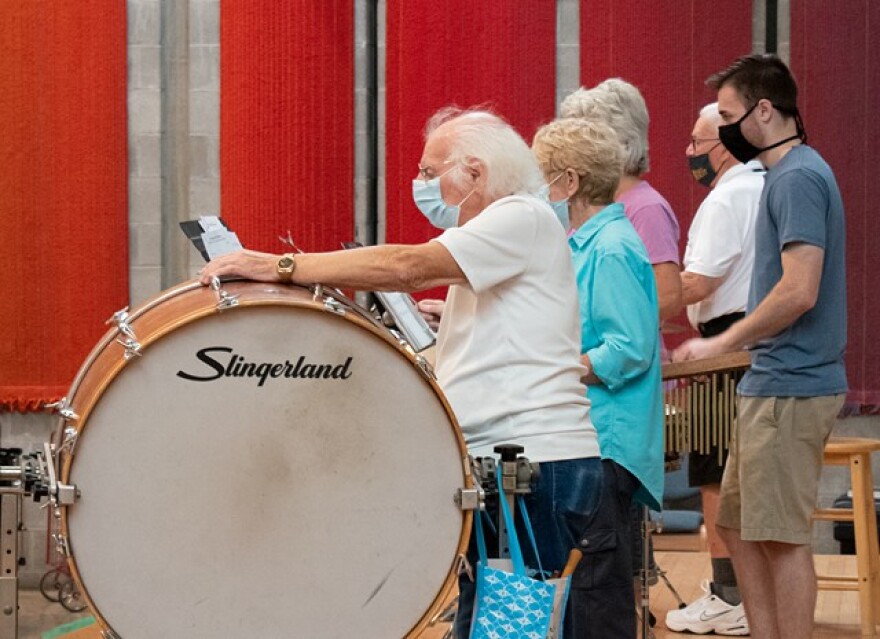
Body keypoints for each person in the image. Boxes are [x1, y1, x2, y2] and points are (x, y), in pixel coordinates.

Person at [200, 107, 605, 639]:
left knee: (515, 628)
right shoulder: (503, 228)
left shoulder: (520, 216)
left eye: (429, 172)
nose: (420, 185)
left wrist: (278, 265)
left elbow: (405, 268)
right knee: (488, 623)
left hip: (529, 465)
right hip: (503, 463)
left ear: (476, 173)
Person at [674, 54, 847, 639]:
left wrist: (723, 341)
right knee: (742, 527)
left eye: (728, 116)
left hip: (793, 384)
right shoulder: (781, 177)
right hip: (767, 381)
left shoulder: (798, 177)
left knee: (780, 536)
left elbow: (799, 290)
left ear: (764, 111)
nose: (721, 132)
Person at [533, 117, 664, 639]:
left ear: (569, 182)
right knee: (587, 588)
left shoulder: (610, 247)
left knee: (598, 592)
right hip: (592, 433)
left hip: (610, 440)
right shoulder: (584, 241)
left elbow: (628, 348)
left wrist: (555, 366)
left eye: (543, 176)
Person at [664, 102, 764, 636]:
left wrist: (637, 302)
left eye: (696, 143)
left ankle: (730, 596)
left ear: (724, 143)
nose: (688, 154)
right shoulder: (756, 187)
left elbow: (697, 283)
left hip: (726, 347)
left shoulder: (730, 197)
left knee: (715, 476)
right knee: (721, 473)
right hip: (737, 342)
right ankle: (739, 593)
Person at [560, 78, 682, 323]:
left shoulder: (647, 208)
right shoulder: (585, 204)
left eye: (583, 139)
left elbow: (668, 296)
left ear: (618, 142)